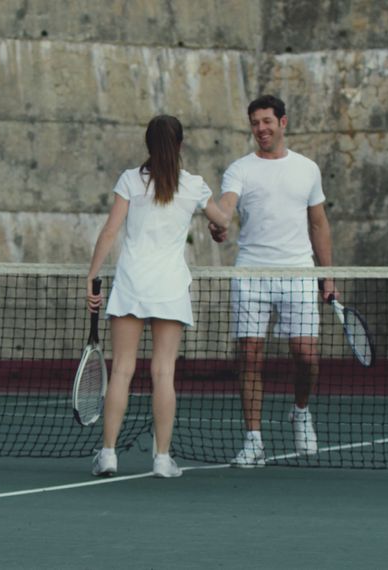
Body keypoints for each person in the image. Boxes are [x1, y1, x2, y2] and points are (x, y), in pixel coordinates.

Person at [86, 114, 231, 478]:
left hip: (132, 285)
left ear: (148, 145)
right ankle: (163, 459)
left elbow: (109, 231)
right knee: (163, 373)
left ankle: (108, 454)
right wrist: (216, 225)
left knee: (121, 371)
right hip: (168, 288)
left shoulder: (130, 180)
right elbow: (224, 219)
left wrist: (91, 277)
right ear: (180, 145)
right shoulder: (195, 186)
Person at [209, 95, 337, 468]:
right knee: (249, 356)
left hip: (298, 272)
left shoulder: (307, 169)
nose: (261, 129)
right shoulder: (239, 169)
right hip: (251, 273)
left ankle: (300, 411)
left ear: (283, 122)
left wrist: (326, 275)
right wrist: (220, 222)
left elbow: (318, 223)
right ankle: (253, 440)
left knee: (307, 357)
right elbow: (228, 203)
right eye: (255, 123)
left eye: (267, 121)